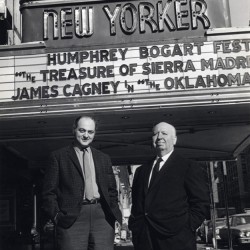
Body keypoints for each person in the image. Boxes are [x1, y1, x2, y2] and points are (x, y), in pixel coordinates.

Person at [42, 115, 122, 250]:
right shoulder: (58, 156)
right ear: (74, 130)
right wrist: (57, 216)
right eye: (82, 130)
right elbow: (48, 192)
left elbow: (111, 190)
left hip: (102, 217)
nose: (86, 135)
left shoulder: (104, 158)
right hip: (72, 218)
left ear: (94, 133)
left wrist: (114, 213)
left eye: (90, 132)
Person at [128, 122, 210, 250]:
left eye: (164, 133)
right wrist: (135, 226)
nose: (159, 137)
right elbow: (137, 203)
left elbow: (201, 202)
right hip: (145, 238)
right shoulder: (141, 171)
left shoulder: (188, 167)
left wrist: (187, 227)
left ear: (174, 140)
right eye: (155, 134)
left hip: (176, 239)